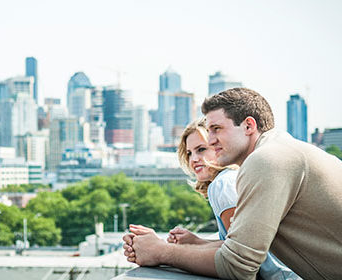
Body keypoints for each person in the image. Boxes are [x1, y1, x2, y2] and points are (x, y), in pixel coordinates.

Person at [123, 88, 342, 279]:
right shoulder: (282, 150)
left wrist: (160, 251)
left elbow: (239, 266)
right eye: (209, 131)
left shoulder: (267, 159)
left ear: (248, 126)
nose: (209, 140)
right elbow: (242, 247)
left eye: (217, 129)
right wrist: (194, 244)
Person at [168, 118, 297, 279]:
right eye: (189, 153)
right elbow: (240, 243)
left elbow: (240, 253)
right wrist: (196, 242)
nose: (193, 159)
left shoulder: (223, 184)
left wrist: (163, 251)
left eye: (201, 149)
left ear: (219, 147)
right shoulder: (233, 178)